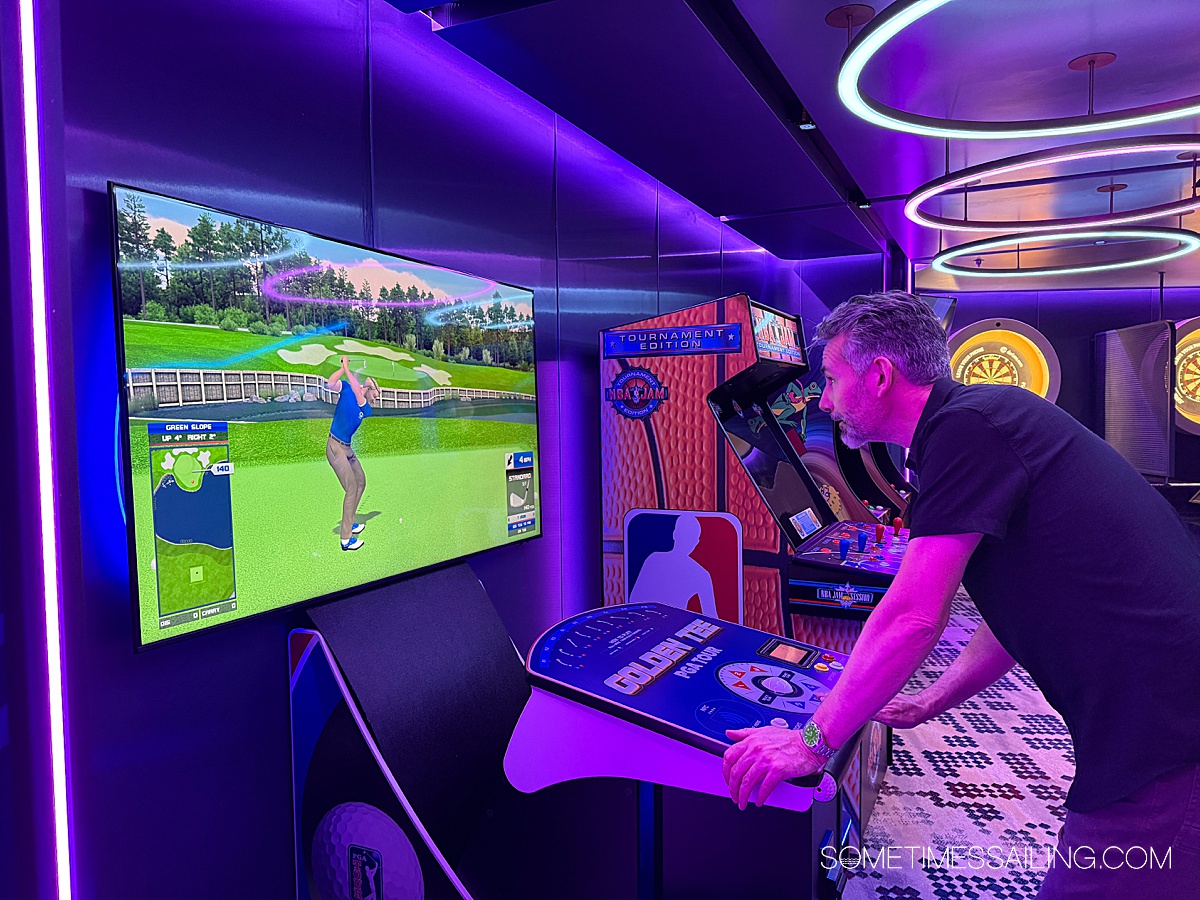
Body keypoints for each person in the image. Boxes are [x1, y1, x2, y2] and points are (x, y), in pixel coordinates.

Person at [721, 291, 1200, 897]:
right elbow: (1023, 600)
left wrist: (813, 741)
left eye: (834, 380)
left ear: (880, 375)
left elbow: (915, 616)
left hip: (1168, 728)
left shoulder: (965, 429)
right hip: (1158, 712)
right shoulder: (980, 418)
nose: (824, 400)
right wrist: (933, 700)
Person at [326, 356, 380, 551]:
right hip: (334, 447)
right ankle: (346, 538)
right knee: (351, 488)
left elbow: (359, 395)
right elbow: (330, 383)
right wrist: (342, 369)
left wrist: (347, 368)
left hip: (347, 447)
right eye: (376, 394)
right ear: (369, 389)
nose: (376, 398)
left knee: (361, 481)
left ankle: (349, 520)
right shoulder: (347, 389)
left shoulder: (366, 408)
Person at [628, 514, 718, 617]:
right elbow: (634, 599)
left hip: (673, 626)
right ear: (675, 534)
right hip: (649, 623)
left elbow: (713, 618)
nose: (687, 542)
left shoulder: (702, 575)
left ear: (696, 542)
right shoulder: (654, 559)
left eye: (691, 538)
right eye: (684, 535)